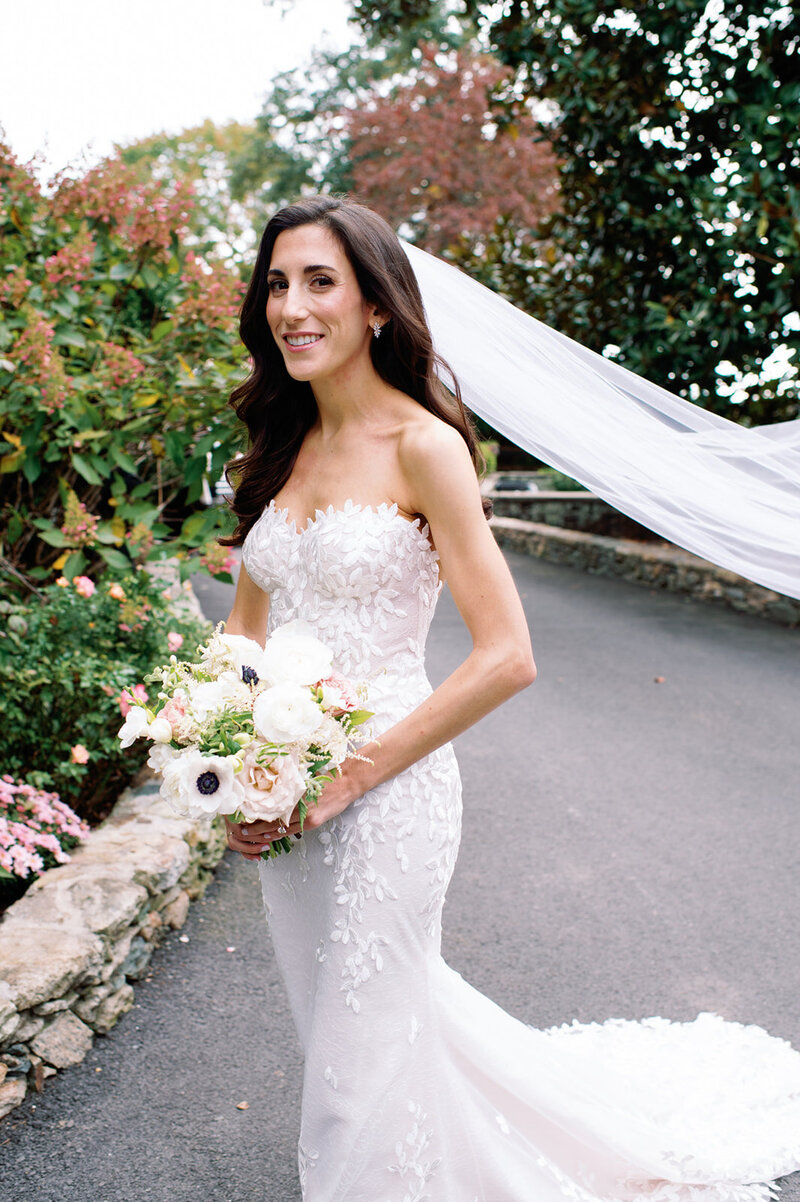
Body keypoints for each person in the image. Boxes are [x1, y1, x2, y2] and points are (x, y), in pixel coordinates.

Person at [221, 196, 800, 1201]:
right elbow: (242, 633)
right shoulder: (277, 450)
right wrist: (230, 767)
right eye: (277, 282)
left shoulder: (423, 448)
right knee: (354, 1034)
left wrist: (348, 776)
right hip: (292, 795)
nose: (291, 306)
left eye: (320, 281)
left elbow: (506, 654)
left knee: (353, 1070)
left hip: (389, 792)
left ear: (376, 309)